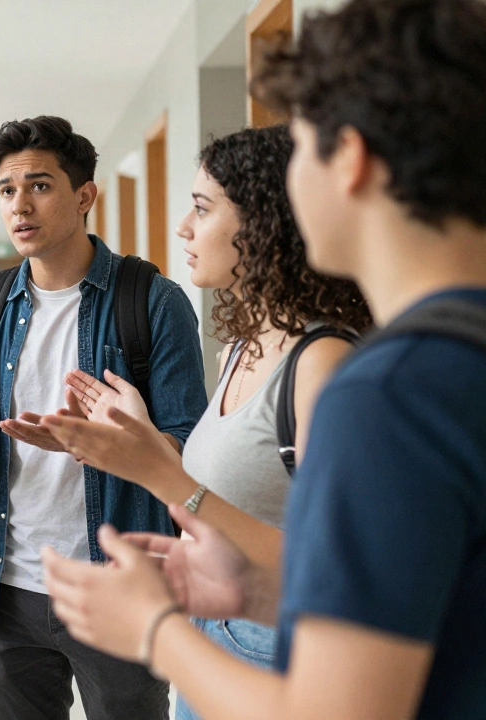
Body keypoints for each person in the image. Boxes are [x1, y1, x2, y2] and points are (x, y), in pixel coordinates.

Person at [39, 1, 486, 718]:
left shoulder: (388, 392)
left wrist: (154, 630)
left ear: (351, 160)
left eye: (302, 147)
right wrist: (257, 590)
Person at [46, 124, 371, 719]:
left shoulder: (322, 363)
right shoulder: (242, 348)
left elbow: (334, 566)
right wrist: (141, 443)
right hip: (215, 633)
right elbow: (226, 499)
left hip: (281, 652)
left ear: (267, 222)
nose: (183, 228)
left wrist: (163, 477)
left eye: (202, 208)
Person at [0, 115, 208, 720]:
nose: (19, 205)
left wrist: (105, 442)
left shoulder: (153, 303)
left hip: (118, 583)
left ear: (84, 195)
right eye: (7, 190)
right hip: (8, 590)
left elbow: (189, 445)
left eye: (39, 185)